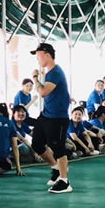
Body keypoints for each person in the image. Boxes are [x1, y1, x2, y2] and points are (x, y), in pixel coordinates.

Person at [30, 42, 73, 194]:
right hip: (46, 115)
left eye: (39, 56)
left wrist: (35, 78)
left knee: (58, 147)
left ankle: (64, 181)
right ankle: (55, 168)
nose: (37, 60)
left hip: (58, 118)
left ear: (47, 55)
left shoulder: (55, 72)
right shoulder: (49, 73)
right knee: (37, 144)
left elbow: (42, 92)